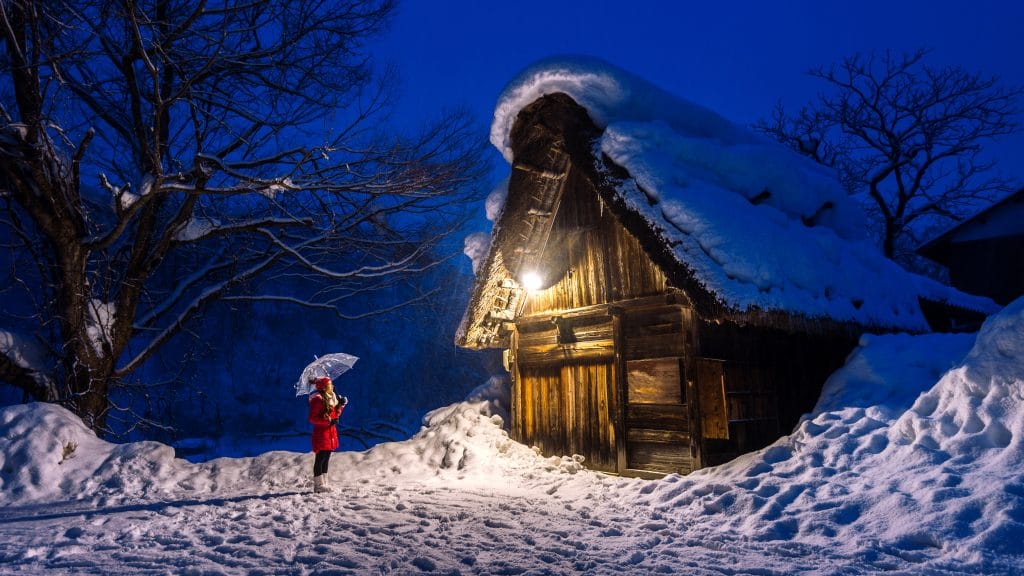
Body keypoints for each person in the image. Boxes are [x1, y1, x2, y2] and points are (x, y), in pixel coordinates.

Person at [308, 376, 347, 493]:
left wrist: (340, 405)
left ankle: (324, 483)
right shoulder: (318, 400)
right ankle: (318, 485)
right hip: (321, 433)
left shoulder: (331, 398)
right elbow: (312, 418)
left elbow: (335, 415)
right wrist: (328, 422)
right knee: (320, 458)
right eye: (329, 385)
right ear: (324, 387)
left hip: (330, 432)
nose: (332, 387)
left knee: (326, 458)